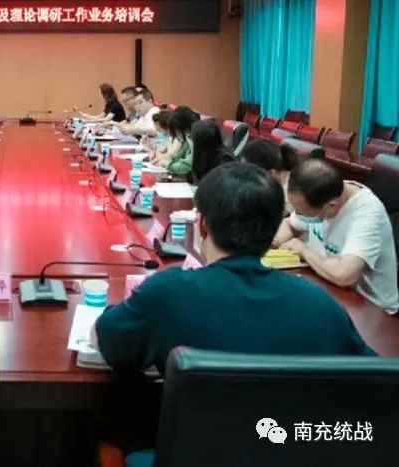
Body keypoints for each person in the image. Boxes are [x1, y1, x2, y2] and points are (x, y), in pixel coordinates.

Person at [91, 162, 373, 456]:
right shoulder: (321, 304)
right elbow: (374, 383)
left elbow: (108, 342)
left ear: (202, 225)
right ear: (272, 232)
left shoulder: (167, 292)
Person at [273, 159, 399, 313]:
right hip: (328, 287)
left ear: (331, 206)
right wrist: (274, 243)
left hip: (371, 309)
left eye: (303, 212)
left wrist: (303, 250)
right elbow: (289, 224)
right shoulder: (322, 192)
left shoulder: (366, 214)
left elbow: (344, 275)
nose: (298, 215)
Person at [240, 139, 298, 215]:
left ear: (271, 173)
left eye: (248, 171)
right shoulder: (274, 181)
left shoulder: (289, 200)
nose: (243, 174)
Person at [151, 106, 198, 177]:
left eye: (177, 132)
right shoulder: (186, 140)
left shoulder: (197, 138)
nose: (176, 135)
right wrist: (166, 159)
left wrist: (168, 165)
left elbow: (186, 165)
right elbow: (178, 155)